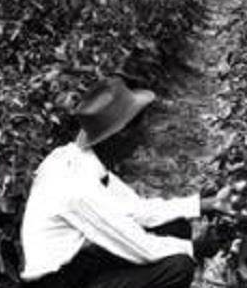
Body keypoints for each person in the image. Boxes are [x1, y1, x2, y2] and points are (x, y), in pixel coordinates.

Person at [20, 77, 234, 288]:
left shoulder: (82, 161)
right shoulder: (76, 185)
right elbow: (140, 247)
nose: (142, 138)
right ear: (121, 135)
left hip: (78, 265)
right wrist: (196, 248)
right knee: (178, 267)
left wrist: (204, 204)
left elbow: (137, 211)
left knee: (174, 226)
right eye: (139, 130)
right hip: (59, 281)